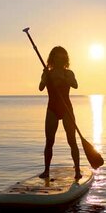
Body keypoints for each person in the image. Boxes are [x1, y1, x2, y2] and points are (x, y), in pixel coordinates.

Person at [38, 46, 81, 179]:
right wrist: (46, 77)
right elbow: (40, 88)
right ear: (53, 58)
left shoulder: (68, 73)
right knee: (49, 141)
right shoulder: (47, 73)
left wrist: (62, 78)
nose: (59, 59)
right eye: (57, 56)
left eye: (62, 57)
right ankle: (46, 171)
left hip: (66, 109)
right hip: (52, 109)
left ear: (65, 59)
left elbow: (75, 85)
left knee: (72, 140)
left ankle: (77, 171)